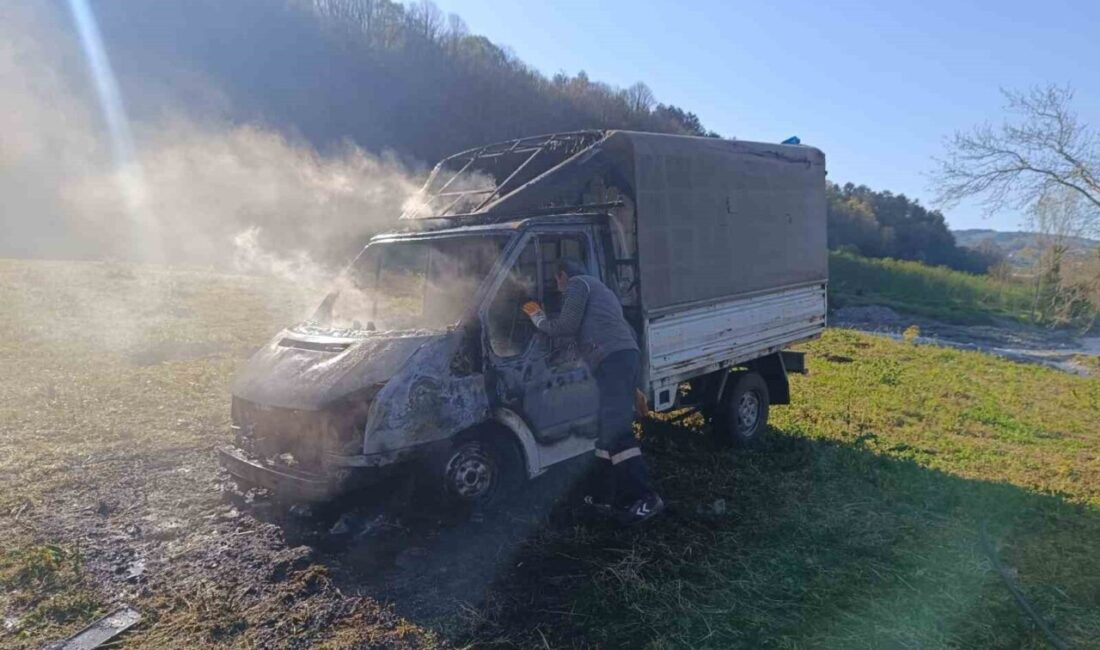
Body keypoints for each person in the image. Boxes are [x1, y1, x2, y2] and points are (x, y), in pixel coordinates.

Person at [521, 259, 664, 525]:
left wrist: (537, 317)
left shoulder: (578, 284)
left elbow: (565, 327)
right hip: (621, 360)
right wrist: (633, 384)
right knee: (606, 431)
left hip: (614, 361)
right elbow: (615, 333)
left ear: (564, 275)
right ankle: (603, 495)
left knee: (617, 431)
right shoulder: (602, 291)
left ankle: (647, 498)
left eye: (557, 280)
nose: (558, 286)